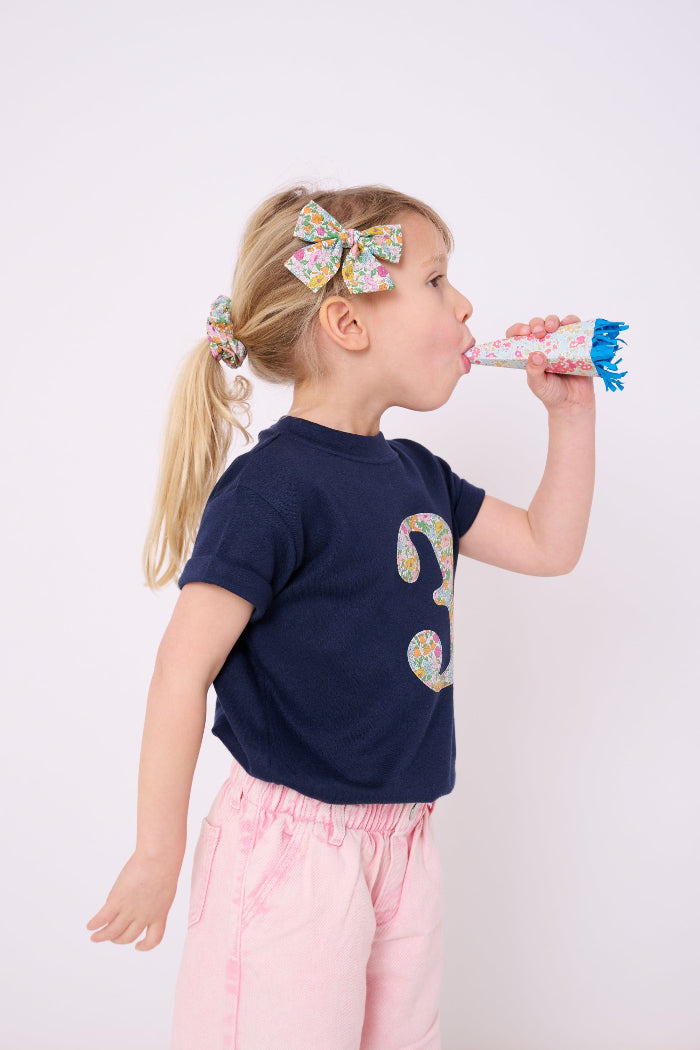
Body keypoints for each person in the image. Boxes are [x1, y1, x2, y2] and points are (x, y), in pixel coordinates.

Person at [85, 184, 595, 1049]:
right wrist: (157, 850)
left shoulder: (419, 474)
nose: (466, 304)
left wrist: (570, 417)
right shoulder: (271, 490)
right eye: (436, 281)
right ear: (348, 324)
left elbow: (549, 545)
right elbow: (182, 669)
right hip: (290, 857)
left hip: (403, 841)